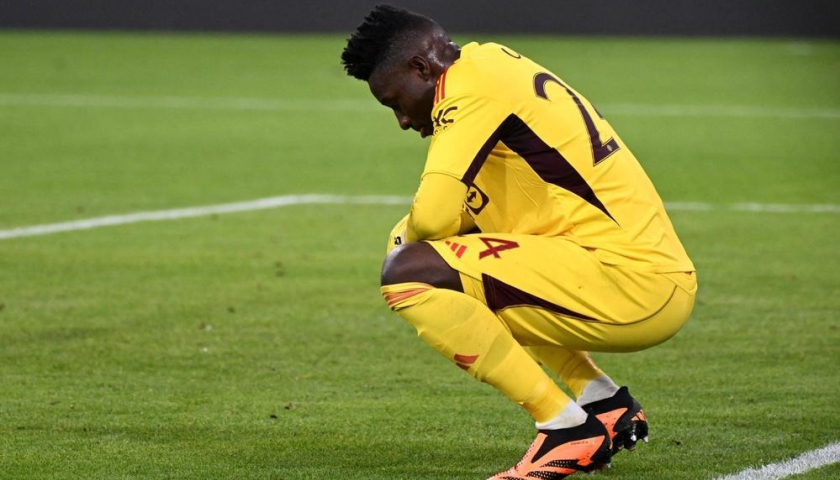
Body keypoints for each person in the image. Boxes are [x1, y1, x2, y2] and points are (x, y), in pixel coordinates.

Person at [341, 5, 697, 479]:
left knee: (410, 274)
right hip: (630, 270)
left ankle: (565, 429)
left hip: (634, 286)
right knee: (438, 259)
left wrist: (409, 245)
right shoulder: (490, 64)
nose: (403, 120)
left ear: (422, 68)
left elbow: (433, 217)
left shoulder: (469, 90)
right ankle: (602, 401)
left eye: (394, 101)